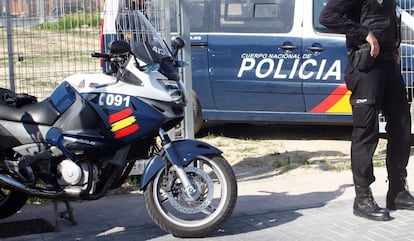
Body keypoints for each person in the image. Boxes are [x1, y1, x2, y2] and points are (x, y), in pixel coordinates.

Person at [319, 0, 414, 221]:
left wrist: (397, 41)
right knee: (366, 134)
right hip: (366, 67)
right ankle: (362, 199)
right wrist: (365, 33)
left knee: (402, 129)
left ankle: (397, 192)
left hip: (390, 65)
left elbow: (391, 18)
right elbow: (327, 17)